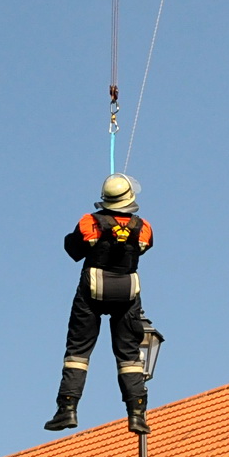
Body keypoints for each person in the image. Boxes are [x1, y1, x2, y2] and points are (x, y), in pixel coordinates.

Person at [46, 173, 155, 435]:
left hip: (91, 291)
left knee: (78, 352)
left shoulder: (89, 222)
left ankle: (68, 409)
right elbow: (144, 247)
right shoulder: (144, 227)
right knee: (129, 356)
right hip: (127, 293)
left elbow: (73, 249)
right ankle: (137, 414)